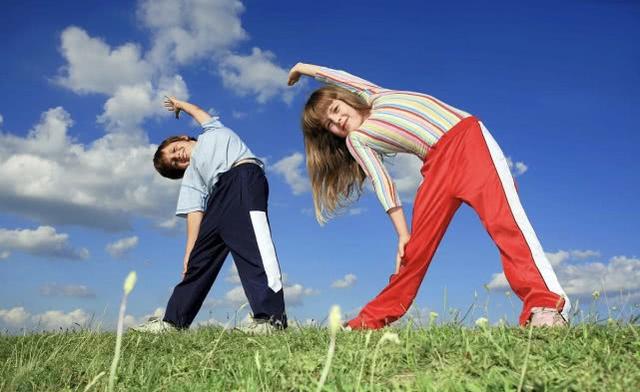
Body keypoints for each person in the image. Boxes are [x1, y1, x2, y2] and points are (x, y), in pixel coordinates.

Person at [288, 62, 570, 329]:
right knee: (413, 252)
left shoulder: (374, 94)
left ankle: (545, 306)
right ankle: (369, 321)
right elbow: (381, 181)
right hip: (435, 169)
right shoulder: (357, 140)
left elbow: (338, 75)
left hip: (469, 142)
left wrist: (304, 68)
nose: (338, 120)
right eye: (330, 125)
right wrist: (402, 234)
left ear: (346, 99)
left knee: (504, 222)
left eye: (336, 110)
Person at [132, 97, 287, 334]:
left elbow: (200, 113)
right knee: (199, 261)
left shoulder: (212, 132)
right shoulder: (193, 176)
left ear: (182, 138)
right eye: (175, 163)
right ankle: (173, 322)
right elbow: (195, 212)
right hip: (218, 196)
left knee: (254, 247)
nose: (179, 157)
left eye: (175, 150)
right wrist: (189, 253)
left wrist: (181, 106)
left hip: (243, 177)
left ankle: (271, 319)